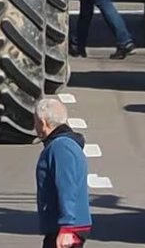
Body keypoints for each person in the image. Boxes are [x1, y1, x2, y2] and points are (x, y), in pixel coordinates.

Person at [34, 98, 92, 248]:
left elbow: (67, 187)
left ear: (42, 122)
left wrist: (67, 227)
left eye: (35, 121)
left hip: (67, 227)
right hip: (65, 225)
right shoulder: (63, 144)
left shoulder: (60, 147)